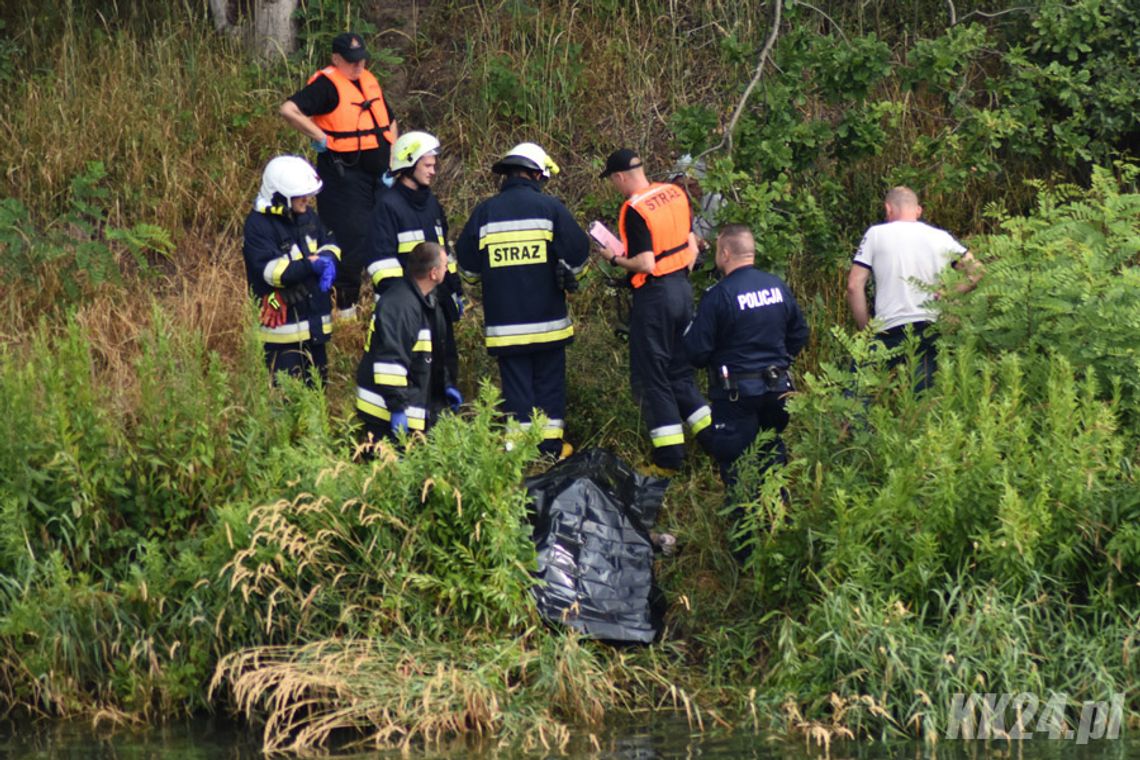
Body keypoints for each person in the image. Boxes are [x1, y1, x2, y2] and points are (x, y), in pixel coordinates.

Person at [455, 142, 589, 458]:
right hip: (549, 325)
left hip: (506, 327)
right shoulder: (551, 209)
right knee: (549, 388)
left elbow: (468, 269)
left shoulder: (484, 213)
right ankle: (550, 450)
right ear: (534, 174)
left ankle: (518, 455)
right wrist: (570, 275)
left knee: (517, 391)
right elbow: (579, 255)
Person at [598, 148, 712, 474]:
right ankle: (715, 440)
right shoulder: (675, 193)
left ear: (620, 177)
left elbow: (645, 263)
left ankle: (668, 460)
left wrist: (613, 257)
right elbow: (691, 248)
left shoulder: (634, 209)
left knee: (653, 376)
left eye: (614, 181)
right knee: (679, 371)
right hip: (682, 289)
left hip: (655, 296)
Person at [280, 31, 398, 319]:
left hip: (379, 177)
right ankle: (345, 309)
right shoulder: (327, 85)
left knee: (385, 236)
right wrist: (319, 136)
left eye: (361, 60)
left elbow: (390, 121)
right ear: (336, 59)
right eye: (351, 61)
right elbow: (288, 109)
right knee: (351, 241)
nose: (358, 66)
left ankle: (386, 306)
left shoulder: (369, 82)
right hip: (344, 178)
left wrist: (392, 161)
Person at [683, 224, 809, 491]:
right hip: (777, 389)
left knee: (736, 464)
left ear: (726, 253)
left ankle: (745, 527)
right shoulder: (777, 286)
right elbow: (799, 333)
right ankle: (776, 517)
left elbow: (697, 351)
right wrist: (782, 361)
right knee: (772, 453)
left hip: (735, 395)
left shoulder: (719, 295)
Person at [846, 186, 980, 390]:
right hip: (930, 328)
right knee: (922, 401)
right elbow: (976, 272)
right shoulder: (941, 237)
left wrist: (867, 332)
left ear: (888, 209)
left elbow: (854, 286)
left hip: (888, 330)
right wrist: (950, 291)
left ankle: (856, 421)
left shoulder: (876, 234)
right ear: (918, 210)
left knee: (857, 395)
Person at [367, 130, 463, 384]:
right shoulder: (387, 206)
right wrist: (410, 300)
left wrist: (454, 290)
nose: (433, 171)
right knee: (414, 376)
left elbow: (444, 252)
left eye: (434, 165)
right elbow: (381, 266)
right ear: (409, 164)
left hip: (437, 304)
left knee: (443, 372)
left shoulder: (431, 203)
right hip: (406, 312)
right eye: (428, 165)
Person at [242, 155, 339, 385]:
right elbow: (271, 273)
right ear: (281, 195)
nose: (307, 199)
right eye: (300, 195)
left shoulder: (308, 217)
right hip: (281, 335)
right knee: (286, 405)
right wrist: (311, 265)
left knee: (318, 402)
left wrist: (325, 259)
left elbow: (331, 244)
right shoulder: (258, 226)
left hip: (315, 329)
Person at [355, 242, 459, 444]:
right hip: (382, 411)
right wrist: (397, 408)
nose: (448, 269)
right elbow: (390, 363)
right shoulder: (400, 306)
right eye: (445, 265)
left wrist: (443, 385)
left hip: (408, 403)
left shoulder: (428, 301)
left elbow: (433, 352)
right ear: (433, 273)